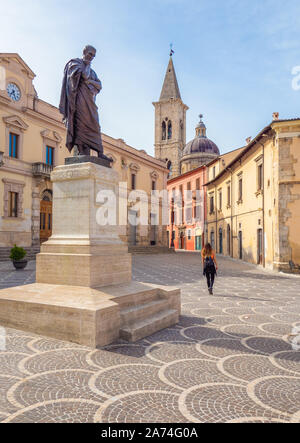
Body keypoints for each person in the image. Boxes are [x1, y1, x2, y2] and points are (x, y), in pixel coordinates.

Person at [59, 45, 104, 157]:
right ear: (84, 52)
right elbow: (83, 76)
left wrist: (90, 82)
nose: (92, 57)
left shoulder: (92, 72)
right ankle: (82, 151)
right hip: (79, 101)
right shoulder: (75, 63)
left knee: (95, 125)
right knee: (81, 125)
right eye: (90, 54)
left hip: (90, 103)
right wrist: (87, 69)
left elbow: (99, 85)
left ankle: (100, 152)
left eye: (93, 56)